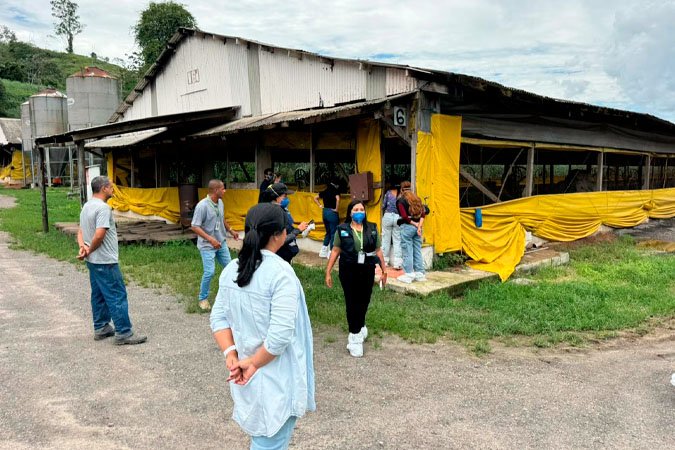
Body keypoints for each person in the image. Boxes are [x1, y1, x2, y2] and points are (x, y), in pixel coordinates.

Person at [210, 203, 315, 449]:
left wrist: (232, 355)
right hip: (275, 374)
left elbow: (218, 318)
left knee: (263, 436)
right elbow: (279, 337)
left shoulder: (231, 269)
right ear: (279, 235)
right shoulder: (280, 273)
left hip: (246, 369)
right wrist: (254, 364)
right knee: (269, 441)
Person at [76, 176, 147, 345]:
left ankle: (101, 327)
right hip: (105, 260)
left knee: (99, 294)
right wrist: (89, 249)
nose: (113, 190)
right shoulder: (103, 208)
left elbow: (80, 231)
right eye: (111, 187)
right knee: (116, 295)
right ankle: (124, 332)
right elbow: (100, 234)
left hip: (93, 261)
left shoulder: (86, 206)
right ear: (103, 189)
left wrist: (83, 247)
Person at [325, 199, 387, 357]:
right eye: (356, 210)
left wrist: (384, 270)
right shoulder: (342, 229)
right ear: (350, 212)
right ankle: (354, 337)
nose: (359, 212)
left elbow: (378, 250)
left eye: (361, 209)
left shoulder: (372, 228)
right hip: (348, 270)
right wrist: (328, 271)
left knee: (364, 300)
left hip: (367, 269)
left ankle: (360, 324)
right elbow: (335, 250)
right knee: (352, 301)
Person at [191, 179, 240, 311]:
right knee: (209, 272)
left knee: (230, 268)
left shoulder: (220, 202)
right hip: (207, 245)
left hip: (221, 242)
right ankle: (203, 298)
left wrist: (231, 230)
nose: (225, 191)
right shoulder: (202, 206)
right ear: (216, 190)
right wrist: (210, 239)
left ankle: (231, 295)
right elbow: (194, 226)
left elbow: (221, 218)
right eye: (223, 188)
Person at [263, 182, 308, 263]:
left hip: (284, 255)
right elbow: (279, 240)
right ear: (277, 197)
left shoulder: (282, 210)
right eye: (285, 196)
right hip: (278, 257)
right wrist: (297, 230)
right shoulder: (273, 215)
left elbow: (287, 229)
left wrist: (300, 229)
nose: (287, 199)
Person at [396, 181, 426, 284]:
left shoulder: (400, 201)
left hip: (407, 227)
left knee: (407, 250)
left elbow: (404, 216)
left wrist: (414, 224)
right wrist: (419, 226)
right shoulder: (417, 199)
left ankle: (408, 274)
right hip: (418, 229)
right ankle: (420, 274)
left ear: (401, 190)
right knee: (417, 250)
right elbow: (423, 214)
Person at [314, 179, 341, 258]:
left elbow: (315, 198)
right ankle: (331, 253)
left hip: (325, 212)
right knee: (333, 233)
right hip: (332, 213)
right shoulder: (335, 191)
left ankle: (323, 252)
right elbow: (338, 199)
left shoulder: (325, 191)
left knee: (328, 232)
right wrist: (336, 209)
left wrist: (320, 205)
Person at [381, 182, 403, 269]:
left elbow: (383, 205)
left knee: (385, 239)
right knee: (397, 240)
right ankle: (397, 263)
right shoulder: (401, 194)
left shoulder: (388, 193)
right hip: (398, 217)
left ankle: (385, 262)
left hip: (388, 216)